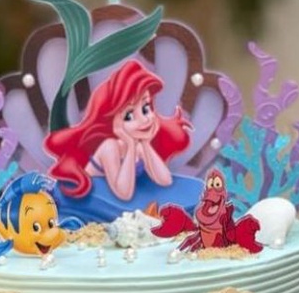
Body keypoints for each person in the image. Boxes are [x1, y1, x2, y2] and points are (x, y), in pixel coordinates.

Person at [44, 60, 202, 222]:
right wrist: (132, 145)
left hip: (125, 198)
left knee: (196, 190)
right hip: (95, 199)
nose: (144, 119)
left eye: (146, 108)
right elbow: (123, 193)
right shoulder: (109, 146)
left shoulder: (139, 143)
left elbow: (165, 180)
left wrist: (145, 142)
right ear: (112, 121)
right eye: (129, 116)